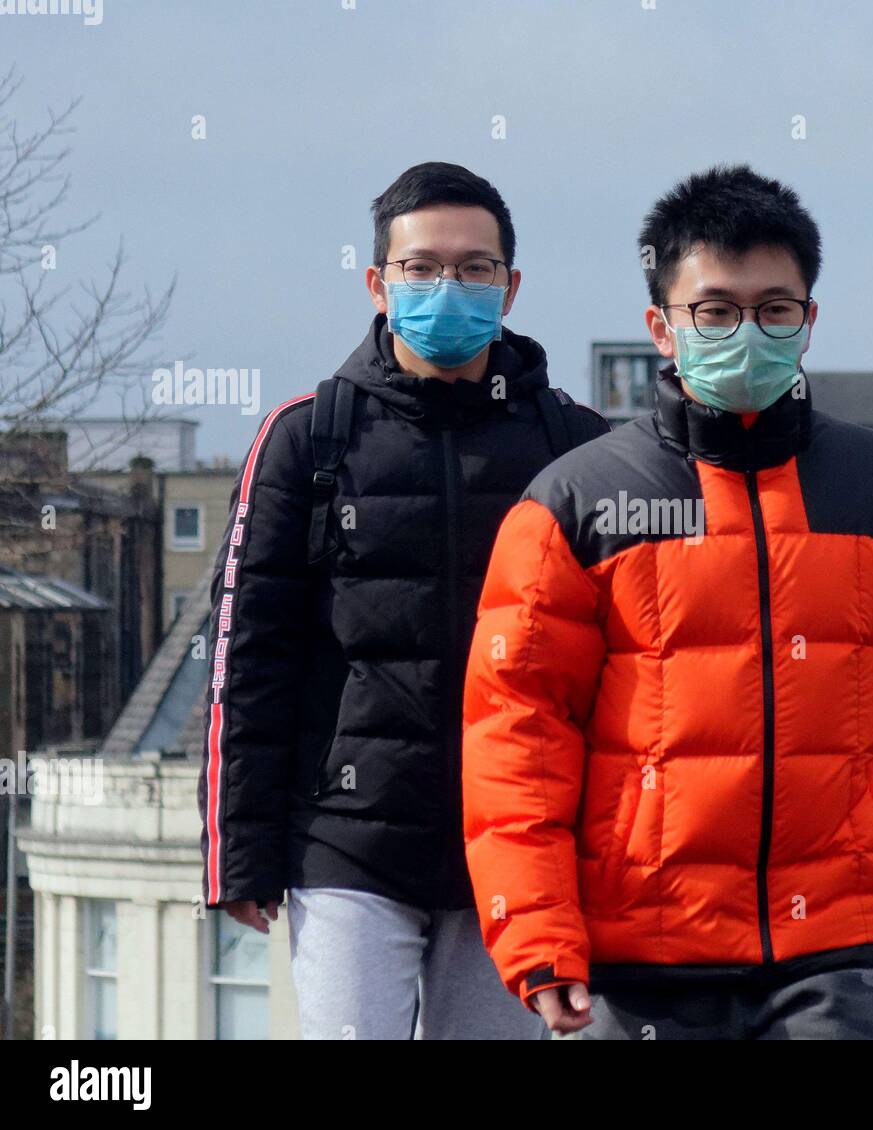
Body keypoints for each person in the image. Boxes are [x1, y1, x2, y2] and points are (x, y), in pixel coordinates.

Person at [461, 164, 873, 1040]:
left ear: (808, 320)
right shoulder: (574, 504)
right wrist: (538, 936)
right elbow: (518, 736)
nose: (744, 332)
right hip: (638, 957)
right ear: (661, 327)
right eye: (714, 311)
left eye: (774, 309)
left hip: (837, 951)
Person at [198, 161, 608, 1039]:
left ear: (511, 285)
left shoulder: (578, 449)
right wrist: (239, 852)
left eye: (474, 267)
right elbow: (249, 657)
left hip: (517, 842)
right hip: (347, 840)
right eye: (421, 267)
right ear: (378, 282)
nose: (447, 286)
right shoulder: (306, 438)